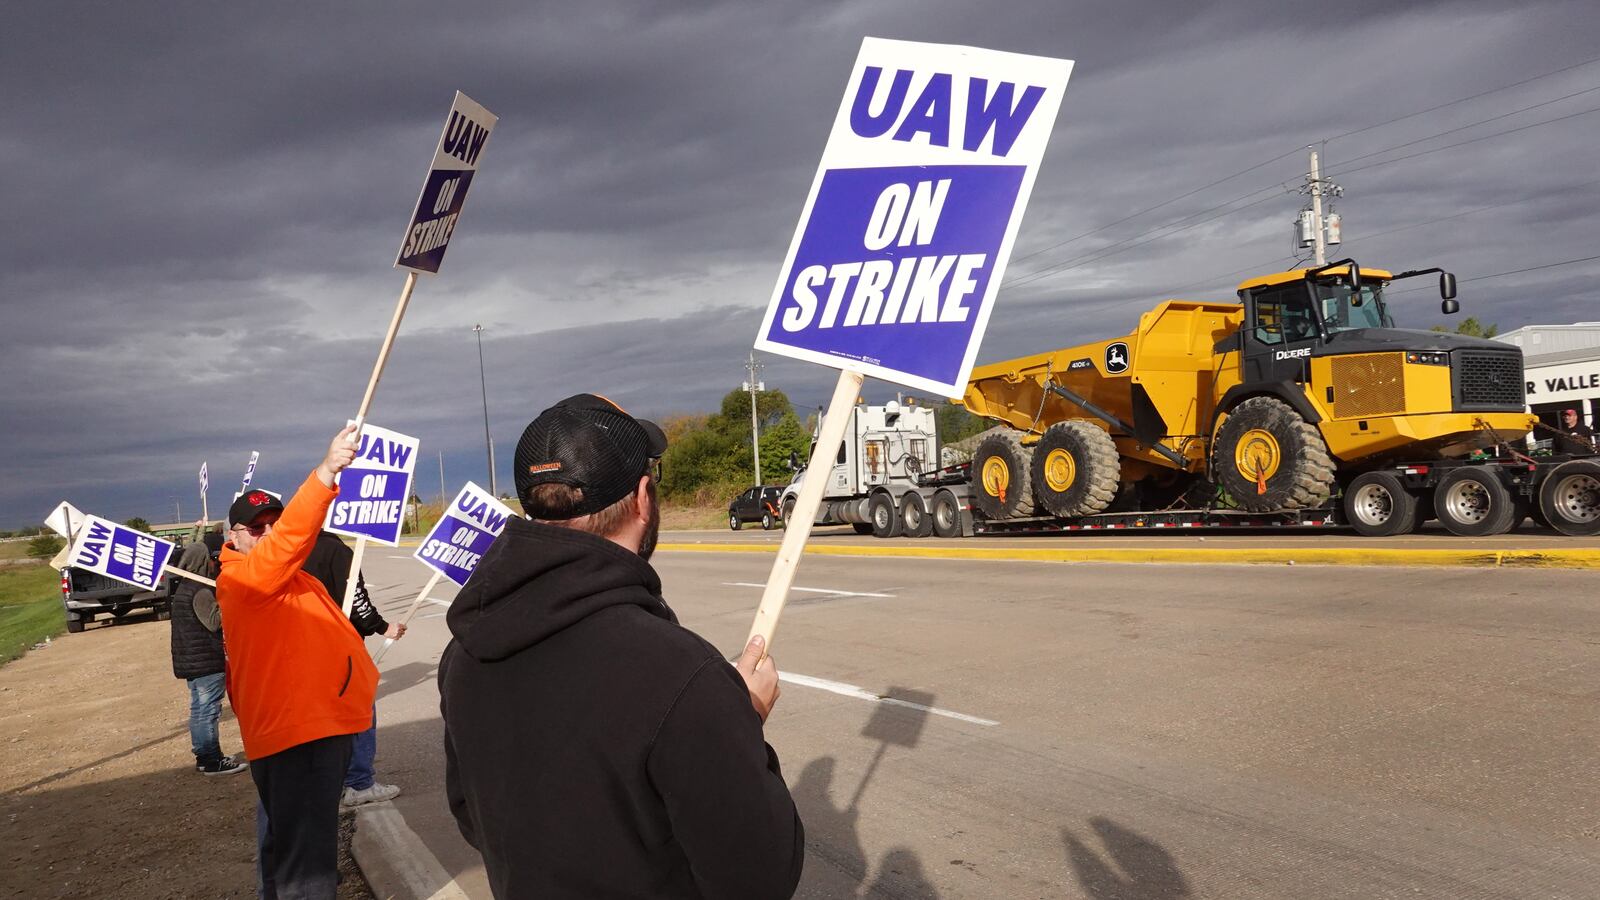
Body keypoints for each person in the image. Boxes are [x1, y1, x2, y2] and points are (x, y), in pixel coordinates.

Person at [440, 394, 805, 899]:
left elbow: (471, 816)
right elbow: (759, 876)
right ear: (642, 497)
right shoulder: (680, 674)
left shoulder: (463, 653)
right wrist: (741, 722)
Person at [218, 426, 378, 900]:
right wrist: (327, 473)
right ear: (233, 537)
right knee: (308, 868)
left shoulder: (281, 579)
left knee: (287, 847)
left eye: (274, 522)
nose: (268, 532)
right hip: (300, 734)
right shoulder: (248, 580)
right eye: (256, 527)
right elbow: (290, 539)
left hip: (305, 730)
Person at [301, 530, 406, 808]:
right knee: (360, 710)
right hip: (338, 647)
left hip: (302, 648)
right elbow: (357, 602)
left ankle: (328, 783)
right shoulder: (336, 551)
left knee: (324, 720)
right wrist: (384, 628)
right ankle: (360, 783)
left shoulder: (291, 548)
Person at [167, 543, 247, 776]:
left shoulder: (184, 587)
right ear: (201, 562)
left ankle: (205, 756)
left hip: (192, 659)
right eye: (210, 559)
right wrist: (228, 600)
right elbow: (213, 621)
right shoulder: (199, 590)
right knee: (207, 711)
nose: (214, 563)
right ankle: (212, 760)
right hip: (205, 661)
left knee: (200, 709)